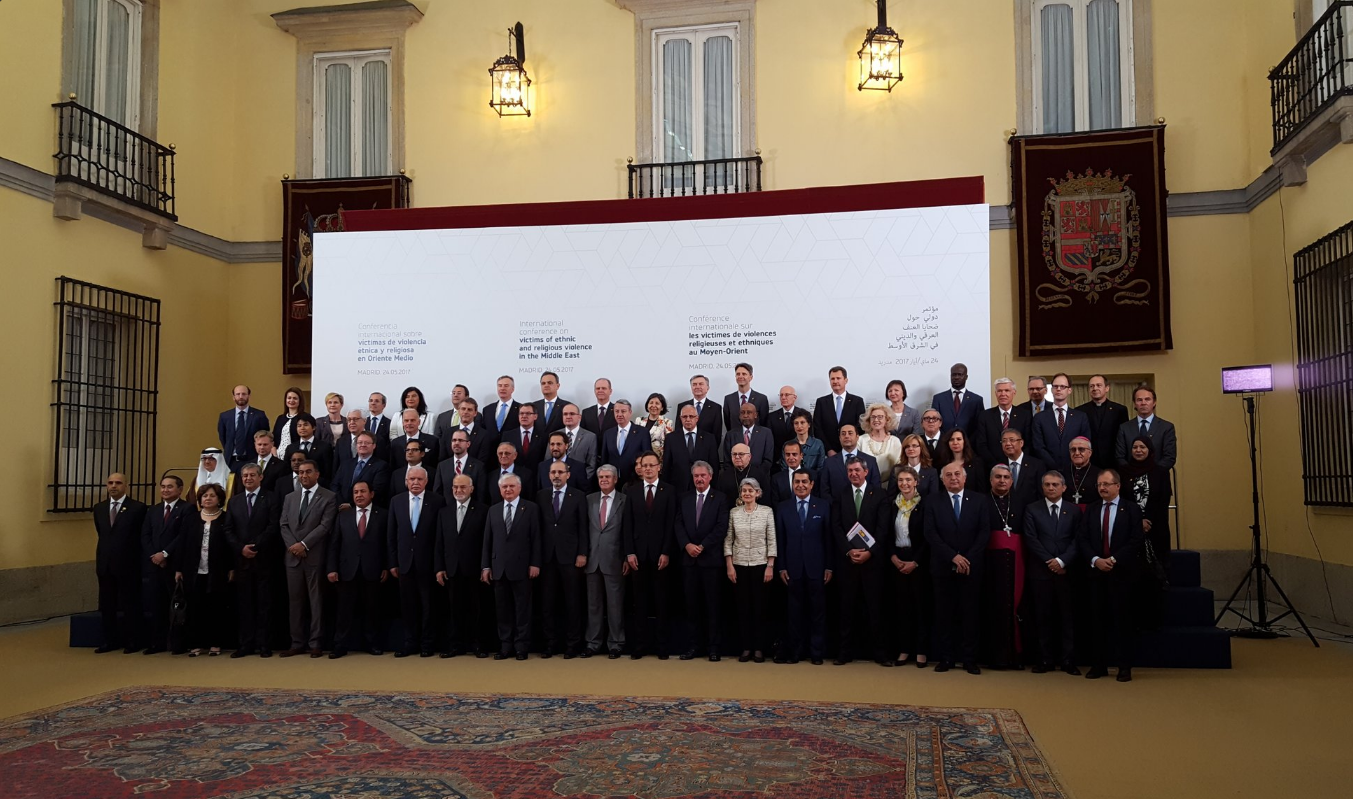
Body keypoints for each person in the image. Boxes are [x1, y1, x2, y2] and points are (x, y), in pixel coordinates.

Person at [924, 461, 993, 674]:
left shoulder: (980, 500)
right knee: (944, 614)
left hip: (971, 567)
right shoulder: (932, 501)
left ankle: (969, 659)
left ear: (964, 478)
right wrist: (953, 557)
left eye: (957, 474)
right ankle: (946, 658)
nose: (953, 478)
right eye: (948, 475)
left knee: (970, 614)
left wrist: (966, 559)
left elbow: (984, 532)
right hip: (942, 566)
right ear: (942, 480)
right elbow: (930, 533)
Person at [1080, 469, 1145, 682]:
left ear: (1117, 486)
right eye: (1099, 484)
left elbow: (1136, 540)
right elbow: (1083, 539)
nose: (1102, 488)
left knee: (1122, 621)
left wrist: (1114, 560)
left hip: (1122, 573)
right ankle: (1098, 665)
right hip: (1096, 573)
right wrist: (1095, 560)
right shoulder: (1092, 509)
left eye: (1106, 484)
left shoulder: (1132, 509)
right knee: (1096, 620)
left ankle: (1124, 667)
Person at [1022, 471, 1082, 675]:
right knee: (1042, 617)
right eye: (1047, 484)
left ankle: (1068, 660)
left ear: (1064, 487)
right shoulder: (1032, 509)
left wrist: (1062, 561)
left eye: (1055, 484)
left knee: (1067, 618)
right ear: (1042, 487)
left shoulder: (1074, 511)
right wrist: (1051, 561)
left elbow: (1078, 539)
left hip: (1067, 571)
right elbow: (1031, 539)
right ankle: (1045, 660)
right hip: (1041, 571)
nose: (1051, 488)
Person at [832, 458, 889, 666]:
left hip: (872, 563)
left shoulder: (879, 494)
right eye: (850, 471)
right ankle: (844, 653)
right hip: (848, 562)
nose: (853, 474)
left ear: (866, 472)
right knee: (846, 610)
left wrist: (870, 552)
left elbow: (883, 528)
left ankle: (880, 653)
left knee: (875, 609)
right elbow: (836, 527)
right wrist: (849, 551)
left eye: (857, 470)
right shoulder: (841, 495)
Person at [278, 459, 337, 658]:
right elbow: (283, 524)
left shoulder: (328, 497)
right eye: (301, 472)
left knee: (316, 601)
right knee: (295, 602)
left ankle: (316, 643)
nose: (304, 475)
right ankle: (297, 643)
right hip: (293, 558)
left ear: (317, 474)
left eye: (308, 472)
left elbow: (325, 526)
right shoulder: (290, 497)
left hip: (315, 556)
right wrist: (294, 547)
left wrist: (304, 545)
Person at [774, 469, 833, 665]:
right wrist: (781, 567)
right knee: (794, 614)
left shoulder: (823, 506)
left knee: (818, 613)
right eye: (797, 482)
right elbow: (780, 540)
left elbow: (828, 539)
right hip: (792, 569)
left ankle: (816, 653)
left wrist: (829, 567)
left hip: (817, 568)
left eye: (804, 482)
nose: (800, 485)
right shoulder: (783, 507)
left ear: (812, 484)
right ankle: (795, 652)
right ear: (792, 484)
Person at [481, 473, 541, 660]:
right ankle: (505, 646)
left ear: (519, 488)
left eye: (511, 486)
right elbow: (487, 541)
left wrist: (535, 563)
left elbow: (536, 538)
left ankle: (521, 647)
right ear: (500, 490)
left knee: (523, 610)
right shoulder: (493, 510)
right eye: (504, 487)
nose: (508, 489)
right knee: (503, 610)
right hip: (499, 569)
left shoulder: (530, 508)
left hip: (523, 568)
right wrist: (485, 566)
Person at [326, 480, 388, 658]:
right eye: (355, 492)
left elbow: (387, 543)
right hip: (347, 570)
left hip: (373, 569)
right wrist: (332, 568)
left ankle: (372, 643)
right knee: (344, 611)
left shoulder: (383, 515)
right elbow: (334, 544)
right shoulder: (343, 516)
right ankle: (340, 645)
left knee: (372, 610)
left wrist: (386, 566)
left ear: (372, 494)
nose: (359, 495)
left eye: (362, 491)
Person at [623, 452, 676, 659]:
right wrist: (629, 552)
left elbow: (671, 523)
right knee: (640, 602)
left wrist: (666, 551)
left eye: (651, 465)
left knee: (661, 602)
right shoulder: (632, 491)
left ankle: (662, 646)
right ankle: (640, 645)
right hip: (637, 556)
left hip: (660, 555)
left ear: (659, 467)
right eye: (644, 465)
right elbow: (627, 524)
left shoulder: (669, 491)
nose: (647, 469)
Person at [388, 465, 444, 657]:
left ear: (426, 481)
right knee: (408, 606)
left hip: (428, 564)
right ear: (406, 482)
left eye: (419, 479)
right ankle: (409, 643)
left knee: (429, 606)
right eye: (412, 479)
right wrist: (393, 562)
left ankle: (427, 644)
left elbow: (440, 536)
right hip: (404, 563)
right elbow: (391, 535)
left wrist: (438, 564)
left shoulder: (437, 501)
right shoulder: (396, 501)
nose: (415, 482)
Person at [225, 462, 280, 658]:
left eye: (252, 475)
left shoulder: (272, 498)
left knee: (265, 604)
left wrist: (255, 546)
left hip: (264, 559)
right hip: (242, 561)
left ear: (260, 477)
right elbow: (228, 529)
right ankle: (245, 644)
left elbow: (273, 526)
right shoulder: (234, 501)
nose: (248, 478)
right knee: (244, 604)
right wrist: (241, 548)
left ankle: (264, 644)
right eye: (245, 476)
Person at [676, 461, 729, 661]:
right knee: (692, 606)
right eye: (696, 476)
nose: (699, 479)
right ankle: (694, 646)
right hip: (689, 560)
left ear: (710, 477)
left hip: (711, 561)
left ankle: (714, 647)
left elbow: (721, 527)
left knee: (713, 606)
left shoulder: (720, 498)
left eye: (702, 475)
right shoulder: (684, 498)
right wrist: (687, 545)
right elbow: (678, 524)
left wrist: (703, 545)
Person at [435, 473, 492, 658]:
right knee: (454, 609)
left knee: (477, 609)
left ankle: (478, 645)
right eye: (455, 487)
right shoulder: (444, 512)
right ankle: (455, 645)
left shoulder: (483, 510)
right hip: (452, 569)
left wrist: (485, 566)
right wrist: (439, 567)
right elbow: (439, 543)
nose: (458, 490)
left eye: (462, 487)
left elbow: (487, 542)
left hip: (475, 569)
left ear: (471, 489)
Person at [173, 483, 234, 657]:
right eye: (205, 496)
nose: (208, 499)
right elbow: (182, 543)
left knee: (216, 607)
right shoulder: (191, 519)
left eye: (212, 496)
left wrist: (232, 567)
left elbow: (230, 545)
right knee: (195, 607)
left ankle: (215, 643)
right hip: (193, 569)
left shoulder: (226, 518)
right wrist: (178, 569)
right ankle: (196, 644)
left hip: (218, 569)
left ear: (219, 499)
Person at [537, 460, 589, 657]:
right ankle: (549, 644)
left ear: (568, 474)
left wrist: (582, 553)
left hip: (571, 557)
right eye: (553, 472)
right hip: (547, 558)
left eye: (560, 472)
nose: (556, 476)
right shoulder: (541, 495)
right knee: (547, 604)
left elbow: (583, 526)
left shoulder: (578, 496)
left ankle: (572, 644)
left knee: (572, 603)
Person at [93, 473, 148, 654]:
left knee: (130, 603)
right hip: (105, 564)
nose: (114, 486)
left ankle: (134, 640)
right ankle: (110, 641)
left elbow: (140, 535)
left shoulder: (138, 508)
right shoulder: (99, 508)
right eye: (110, 483)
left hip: (128, 563)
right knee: (107, 605)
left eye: (118, 483)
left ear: (126, 486)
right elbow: (102, 533)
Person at [725, 478, 777, 662]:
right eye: (744, 490)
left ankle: (759, 648)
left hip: (761, 565)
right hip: (739, 565)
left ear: (758, 493)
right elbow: (728, 540)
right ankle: (746, 647)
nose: (747, 493)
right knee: (743, 608)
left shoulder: (766, 511)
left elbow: (772, 539)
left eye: (750, 490)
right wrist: (729, 565)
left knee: (760, 608)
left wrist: (770, 565)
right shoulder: (733, 512)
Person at [885, 465, 931, 667]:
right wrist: (893, 557)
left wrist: (916, 561)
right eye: (901, 480)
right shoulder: (892, 504)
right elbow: (886, 533)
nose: (904, 483)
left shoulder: (925, 504)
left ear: (916, 482)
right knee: (901, 608)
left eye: (908, 480)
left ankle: (921, 650)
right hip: (897, 559)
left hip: (918, 560)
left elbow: (928, 536)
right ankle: (904, 649)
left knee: (921, 607)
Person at [982, 464, 1026, 669]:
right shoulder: (982, 501)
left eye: (1006, 477)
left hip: (1016, 560)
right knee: (993, 606)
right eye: (998, 477)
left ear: (1012, 480)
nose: (1002, 480)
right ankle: (994, 657)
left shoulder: (1020, 502)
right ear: (991, 480)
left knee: (1014, 606)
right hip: (990, 563)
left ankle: (1015, 656)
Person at [140, 474, 191, 654]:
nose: (165, 490)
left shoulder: (187, 508)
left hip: (175, 564)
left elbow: (183, 535)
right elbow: (145, 535)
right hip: (154, 565)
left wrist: (165, 554)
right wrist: (155, 556)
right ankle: (157, 642)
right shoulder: (153, 510)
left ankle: (178, 643)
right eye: (163, 486)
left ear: (180, 489)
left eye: (170, 486)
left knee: (177, 606)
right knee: (156, 605)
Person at [584, 465, 630, 658]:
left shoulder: (624, 500)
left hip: (615, 559)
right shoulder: (589, 499)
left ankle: (616, 643)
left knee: (615, 605)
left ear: (615, 479)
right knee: (593, 605)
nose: (603, 480)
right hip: (592, 560)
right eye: (601, 477)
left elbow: (628, 531)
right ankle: (593, 643)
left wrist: (626, 556)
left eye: (607, 477)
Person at [1121, 435, 1173, 564]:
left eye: (1142, 447)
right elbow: (1122, 499)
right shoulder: (1123, 472)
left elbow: (1163, 500)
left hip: (1156, 525)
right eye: (1135, 447)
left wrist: (1147, 521)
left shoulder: (1161, 472)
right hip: (1130, 526)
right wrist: (1138, 521)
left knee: (1158, 564)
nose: (1138, 450)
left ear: (1150, 450)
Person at [1031, 373, 1091, 476]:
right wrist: (1054, 466)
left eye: (1062, 386)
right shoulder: (1040, 417)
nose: (1058, 389)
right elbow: (1038, 447)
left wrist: (1071, 464)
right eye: (1055, 386)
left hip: (1074, 470)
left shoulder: (1080, 417)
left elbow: (1085, 444)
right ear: (1051, 389)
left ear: (1069, 390)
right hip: (1047, 471)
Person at [1115, 385, 1178, 471]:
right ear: (1134, 403)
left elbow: (1169, 457)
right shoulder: (1124, 428)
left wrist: (1152, 473)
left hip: (1158, 475)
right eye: (1139, 400)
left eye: (1147, 399)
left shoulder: (1166, 427)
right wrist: (1133, 472)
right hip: (1131, 475)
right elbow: (1120, 457)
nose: (1143, 403)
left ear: (1154, 402)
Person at [974, 377, 1033, 468]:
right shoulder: (985, 416)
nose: (1003, 394)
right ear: (995, 393)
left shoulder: (1024, 415)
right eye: (999, 391)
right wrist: (996, 465)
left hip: (1019, 466)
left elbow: (1028, 443)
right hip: (992, 466)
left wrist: (1017, 461)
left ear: (1014, 393)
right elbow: (981, 445)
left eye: (1007, 390)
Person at [663, 404, 720, 494]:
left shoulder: (709, 438)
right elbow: (666, 467)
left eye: (691, 416)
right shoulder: (671, 438)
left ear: (697, 418)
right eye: (685, 417)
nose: (688, 419)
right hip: (678, 488)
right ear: (680, 418)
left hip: (702, 488)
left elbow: (714, 466)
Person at [1078, 374, 1129, 470]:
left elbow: (1124, 438)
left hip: (1113, 461)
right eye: (1091, 386)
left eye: (1099, 385)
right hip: (1089, 462)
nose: (1095, 388)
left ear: (1107, 388)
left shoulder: (1119, 410)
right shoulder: (1080, 411)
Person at [813, 365, 865, 455]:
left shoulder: (857, 401)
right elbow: (817, 428)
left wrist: (850, 448)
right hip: (828, 452)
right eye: (832, 379)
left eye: (838, 378)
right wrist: (828, 449)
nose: (835, 381)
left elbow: (860, 426)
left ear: (846, 380)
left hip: (852, 450)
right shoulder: (821, 402)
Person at [818, 422, 881, 498]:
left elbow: (876, 489)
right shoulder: (829, 463)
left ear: (857, 437)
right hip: (836, 504)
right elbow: (824, 491)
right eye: (843, 434)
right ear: (839, 438)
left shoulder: (870, 461)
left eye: (850, 433)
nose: (846, 436)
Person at [331, 431, 390, 509]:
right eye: (360, 442)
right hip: (341, 508)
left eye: (367, 443)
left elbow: (377, 491)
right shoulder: (346, 464)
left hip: (366, 509)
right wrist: (341, 503)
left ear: (374, 446)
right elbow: (335, 485)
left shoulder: (381, 466)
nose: (363, 445)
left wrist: (351, 505)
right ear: (356, 445)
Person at [599, 400, 651, 486]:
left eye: (623, 411)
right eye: (617, 411)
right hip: (613, 481)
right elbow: (604, 459)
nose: (619, 414)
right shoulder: (608, 434)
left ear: (630, 412)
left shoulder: (642, 432)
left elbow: (647, 458)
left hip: (634, 481)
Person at [218, 385, 270, 470]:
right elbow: (223, 437)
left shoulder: (259, 415)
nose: (241, 397)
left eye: (244, 394)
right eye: (238, 394)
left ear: (248, 396)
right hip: (231, 461)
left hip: (252, 460)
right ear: (233, 397)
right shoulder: (225, 416)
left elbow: (265, 435)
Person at [436, 428, 489, 505]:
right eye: (454, 440)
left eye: (460, 440)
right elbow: (438, 493)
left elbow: (481, 494)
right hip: (447, 509)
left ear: (468, 444)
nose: (456, 443)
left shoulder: (478, 466)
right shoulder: (442, 466)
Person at [931, 363, 985, 435]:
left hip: (969, 441)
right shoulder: (938, 399)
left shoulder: (977, 400)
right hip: (944, 440)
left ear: (966, 377)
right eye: (954, 375)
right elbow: (934, 423)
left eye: (960, 375)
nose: (956, 377)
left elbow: (980, 426)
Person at [1000, 428, 1047, 507]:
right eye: (1004, 441)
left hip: (1030, 510)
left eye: (1012, 440)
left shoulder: (1037, 465)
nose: (1007, 443)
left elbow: (1041, 493)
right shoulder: (998, 465)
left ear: (1021, 443)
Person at [284, 415, 334, 487]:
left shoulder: (324, 447)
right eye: (299, 426)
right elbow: (287, 469)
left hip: (318, 485)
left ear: (314, 427)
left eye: (305, 425)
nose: (302, 428)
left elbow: (328, 471)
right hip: (295, 486)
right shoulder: (291, 448)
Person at [721, 402, 774, 468]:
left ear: (755, 415)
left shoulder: (766, 433)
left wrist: (756, 473)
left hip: (760, 473)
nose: (745, 416)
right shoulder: (730, 435)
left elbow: (768, 460)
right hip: (736, 473)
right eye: (742, 413)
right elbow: (727, 462)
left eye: (749, 412)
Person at [934, 428, 986, 494]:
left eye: (959, 439)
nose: (955, 443)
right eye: (951, 440)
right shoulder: (942, 463)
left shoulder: (976, 463)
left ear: (964, 441)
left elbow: (981, 489)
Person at [722, 362, 770, 431]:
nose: (740, 376)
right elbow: (728, 423)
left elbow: (764, 422)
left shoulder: (761, 399)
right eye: (738, 374)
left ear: (751, 377)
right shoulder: (729, 399)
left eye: (744, 374)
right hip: (735, 436)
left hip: (756, 437)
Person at [391, 408, 440, 475]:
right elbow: (393, 466)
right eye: (406, 420)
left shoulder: (432, 441)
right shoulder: (395, 443)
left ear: (419, 422)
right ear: (403, 423)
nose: (409, 423)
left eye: (412, 420)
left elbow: (436, 464)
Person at [559, 403, 599, 484]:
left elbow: (591, 465)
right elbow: (548, 460)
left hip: (580, 484)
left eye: (572, 414)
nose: (568, 416)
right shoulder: (554, 435)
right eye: (565, 414)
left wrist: (582, 480)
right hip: (558, 482)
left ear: (579, 417)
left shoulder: (590, 437)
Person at [859, 402, 902, 476]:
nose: (876, 420)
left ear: (887, 420)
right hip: (866, 481)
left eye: (880, 417)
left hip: (890, 482)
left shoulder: (895, 441)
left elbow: (899, 466)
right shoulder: (861, 440)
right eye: (873, 417)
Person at [769, 440, 816, 506]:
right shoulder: (776, 478)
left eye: (794, 454)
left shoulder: (813, 475)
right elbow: (776, 504)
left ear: (801, 455)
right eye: (788, 454)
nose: (791, 458)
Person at [678, 374, 724, 440]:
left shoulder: (716, 408)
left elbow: (717, 434)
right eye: (694, 384)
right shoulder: (682, 406)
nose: (697, 387)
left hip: (707, 445)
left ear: (707, 388)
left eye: (701, 384)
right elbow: (678, 432)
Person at [453, 398, 495, 466]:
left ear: (475, 413)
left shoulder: (484, 435)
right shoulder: (448, 433)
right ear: (459, 411)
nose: (466, 412)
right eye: (463, 409)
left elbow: (483, 461)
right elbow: (443, 461)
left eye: (469, 409)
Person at [767, 386, 801, 465]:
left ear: (795, 397)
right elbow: (769, 441)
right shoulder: (771, 417)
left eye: (786, 395)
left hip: (797, 460)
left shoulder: (802, 415)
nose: (783, 397)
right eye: (781, 395)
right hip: (777, 461)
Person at [483, 375, 522, 444]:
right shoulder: (487, 409)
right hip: (490, 448)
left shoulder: (521, 408)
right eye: (500, 386)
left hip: (512, 447)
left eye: (506, 386)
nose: (502, 388)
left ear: (513, 389)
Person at [249, 430, 290, 494]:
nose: (262, 447)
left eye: (265, 444)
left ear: (272, 444)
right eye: (259, 444)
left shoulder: (282, 466)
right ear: (255, 445)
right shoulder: (248, 465)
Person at [510, 403, 547, 472]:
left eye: (528, 413)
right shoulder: (508, 435)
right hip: (513, 474)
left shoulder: (543, 436)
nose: (524, 416)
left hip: (535, 474)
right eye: (521, 413)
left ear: (535, 416)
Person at [271, 386, 306, 457]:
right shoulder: (280, 418)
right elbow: (274, 437)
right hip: (278, 456)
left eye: (295, 398)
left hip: (295, 456)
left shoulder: (304, 417)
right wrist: (273, 450)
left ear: (300, 401)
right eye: (289, 398)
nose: (291, 400)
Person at [1066, 437, 1100, 507]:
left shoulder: (1099, 474)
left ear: (1090, 453)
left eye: (1081, 449)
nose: (1077, 453)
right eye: (1073, 450)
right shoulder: (1062, 473)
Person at [639, 392, 674, 458]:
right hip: (642, 459)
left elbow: (670, 445)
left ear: (662, 407)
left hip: (659, 459)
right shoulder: (639, 420)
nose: (653, 405)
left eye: (657, 403)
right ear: (647, 405)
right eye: (651, 403)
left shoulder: (667, 422)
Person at [365, 392, 393, 462]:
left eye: (376, 401)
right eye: (371, 401)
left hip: (382, 461)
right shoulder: (363, 422)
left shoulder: (390, 423)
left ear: (384, 405)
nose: (373, 403)